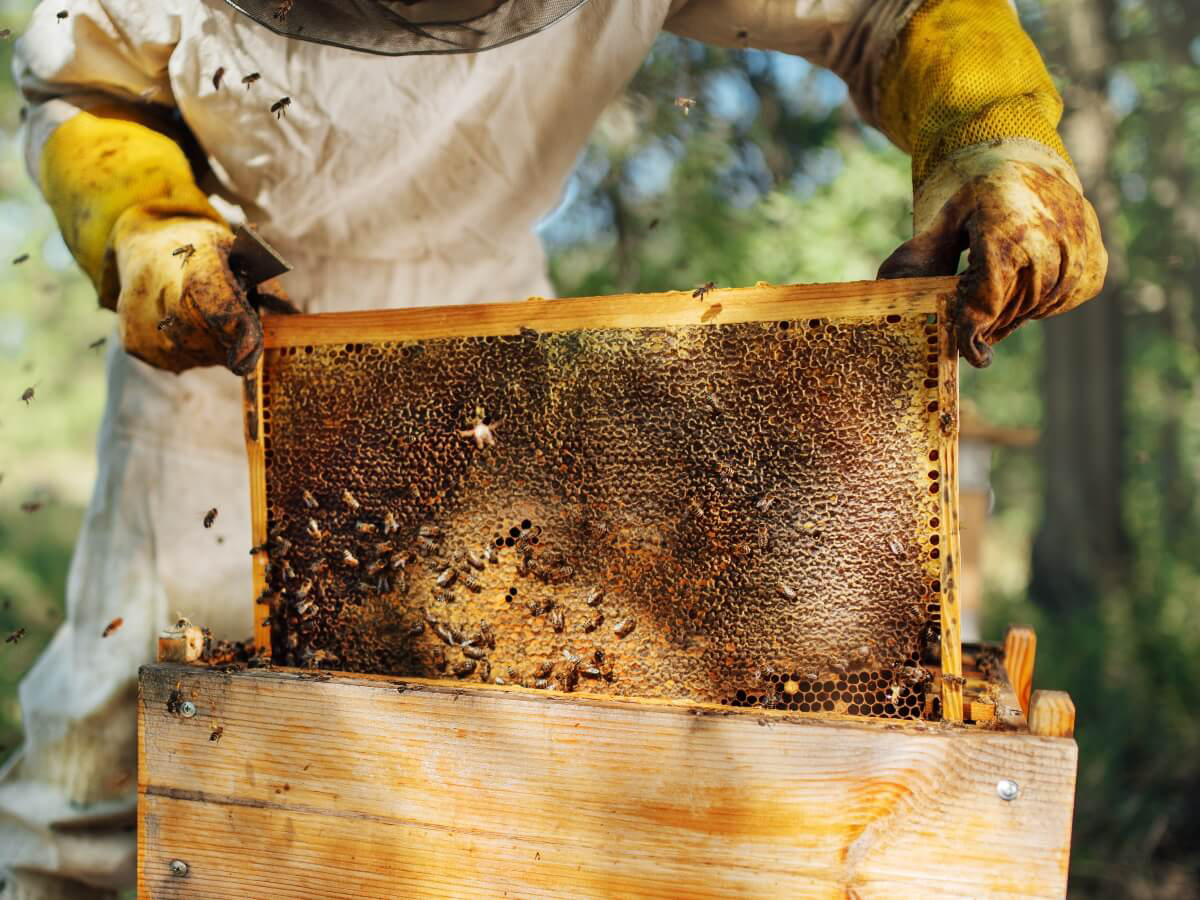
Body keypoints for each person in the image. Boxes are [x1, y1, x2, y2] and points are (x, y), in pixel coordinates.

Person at [0, 1, 1106, 896]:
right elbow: (83, 77)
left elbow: (892, 9)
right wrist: (144, 218)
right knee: (111, 762)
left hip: (493, 345)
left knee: (494, 753)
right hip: (232, 324)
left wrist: (993, 136)